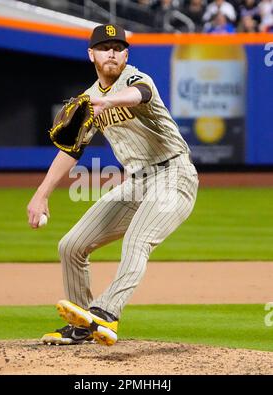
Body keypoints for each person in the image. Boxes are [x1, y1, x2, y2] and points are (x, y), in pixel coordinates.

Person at [27, 24, 199, 346]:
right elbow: (71, 150)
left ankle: (106, 313)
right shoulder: (89, 98)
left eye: (118, 48)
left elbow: (140, 95)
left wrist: (105, 104)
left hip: (174, 176)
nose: (112, 53)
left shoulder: (134, 79)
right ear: (91, 54)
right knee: (71, 246)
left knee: (137, 240)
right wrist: (41, 194)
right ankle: (82, 325)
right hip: (135, 184)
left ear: (126, 55)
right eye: (105, 47)